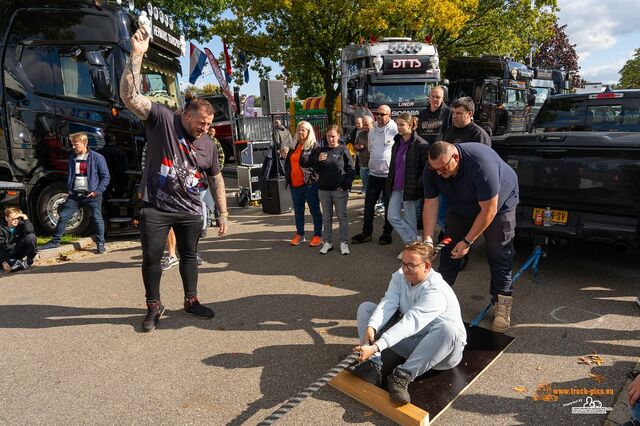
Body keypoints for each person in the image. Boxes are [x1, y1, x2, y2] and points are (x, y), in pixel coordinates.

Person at [120, 27, 229, 332]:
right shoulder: (163, 119)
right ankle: (153, 306)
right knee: (152, 256)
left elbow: (216, 178)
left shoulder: (208, 143)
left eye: (209, 125)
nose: (205, 129)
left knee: (190, 256)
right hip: (156, 205)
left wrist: (222, 212)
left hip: (190, 209)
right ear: (186, 115)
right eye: (201, 123)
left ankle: (191, 301)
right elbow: (129, 96)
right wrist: (137, 55)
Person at [421, 141, 519, 333]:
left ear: (455, 158)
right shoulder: (433, 168)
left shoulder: (481, 165)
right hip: (462, 204)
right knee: (449, 247)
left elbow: (489, 210)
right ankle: (438, 297)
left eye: (443, 169)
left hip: (499, 205)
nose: (439, 174)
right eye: (436, 170)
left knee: (498, 250)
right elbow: (430, 204)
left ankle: (502, 302)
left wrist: (467, 241)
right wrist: (427, 239)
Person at [352, 241, 467, 404]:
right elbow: (389, 302)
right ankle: (372, 365)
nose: (405, 269)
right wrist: (372, 326)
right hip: (413, 344)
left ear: (426, 266)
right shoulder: (400, 276)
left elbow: (411, 322)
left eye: (411, 265)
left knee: (449, 329)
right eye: (403, 263)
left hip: (443, 353)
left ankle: (402, 376)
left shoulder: (436, 291)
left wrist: (377, 345)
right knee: (366, 309)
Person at [39, 132, 110, 254]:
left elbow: (106, 177)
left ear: (84, 143)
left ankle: (100, 243)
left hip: (92, 195)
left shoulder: (97, 158)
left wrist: (97, 191)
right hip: (75, 195)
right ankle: (55, 242)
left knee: (97, 219)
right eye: (72, 144)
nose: (73, 147)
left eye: (75, 144)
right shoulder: (72, 157)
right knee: (64, 216)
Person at [351, 105, 397, 245]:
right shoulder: (372, 130)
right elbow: (371, 148)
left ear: (389, 115)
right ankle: (366, 233)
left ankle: (387, 233)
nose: (379, 117)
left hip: (388, 175)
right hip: (374, 174)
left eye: (383, 114)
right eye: (377, 114)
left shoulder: (394, 130)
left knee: (389, 205)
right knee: (369, 204)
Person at [386, 113, 429, 248]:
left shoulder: (421, 145)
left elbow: (427, 170)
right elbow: (394, 166)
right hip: (397, 187)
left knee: (410, 220)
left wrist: (417, 184)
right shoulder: (396, 143)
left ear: (410, 125)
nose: (398, 127)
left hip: (411, 188)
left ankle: (412, 249)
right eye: (397, 124)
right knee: (392, 216)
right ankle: (415, 244)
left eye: (401, 125)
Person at [312, 125, 356, 255]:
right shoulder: (321, 150)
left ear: (338, 136)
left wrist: (345, 185)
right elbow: (315, 169)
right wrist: (318, 160)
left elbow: (351, 170)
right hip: (324, 191)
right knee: (327, 218)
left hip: (339, 191)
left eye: (333, 136)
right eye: (328, 136)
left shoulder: (343, 150)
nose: (330, 139)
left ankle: (343, 243)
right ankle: (328, 242)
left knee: (342, 217)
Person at [284, 121, 323, 247]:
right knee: (298, 211)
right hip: (294, 184)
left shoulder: (314, 146)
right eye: (299, 129)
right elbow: (290, 163)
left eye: (303, 130)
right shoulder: (294, 145)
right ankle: (300, 234)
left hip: (309, 184)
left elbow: (319, 166)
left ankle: (318, 235)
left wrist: (312, 179)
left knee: (314, 210)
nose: (301, 132)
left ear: (309, 131)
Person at [0, 207, 37, 272]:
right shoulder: (1, 229)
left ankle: (28, 261)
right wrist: (3, 261)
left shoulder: (22, 225)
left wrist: (24, 216)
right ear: (6, 218)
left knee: (31, 236)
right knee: (8, 265)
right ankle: (16, 263)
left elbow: (30, 231)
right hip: (7, 253)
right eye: (13, 218)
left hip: (19, 250)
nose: (16, 220)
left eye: (18, 218)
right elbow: (0, 246)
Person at [354, 116, 373, 195]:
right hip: (363, 164)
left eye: (366, 124)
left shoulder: (375, 134)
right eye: (364, 124)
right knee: (365, 186)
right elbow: (355, 145)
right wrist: (358, 147)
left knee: (373, 187)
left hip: (373, 165)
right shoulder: (360, 134)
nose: (365, 127)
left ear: (372, 124)